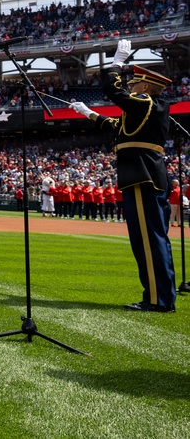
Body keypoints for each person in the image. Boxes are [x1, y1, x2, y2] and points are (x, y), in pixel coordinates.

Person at [71, 40, 177, 313]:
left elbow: (113, 90)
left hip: (142, 173)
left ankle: (157, 299)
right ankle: (159, 295)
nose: (131, 87)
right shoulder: (147, 110)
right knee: (151, 237)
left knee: (148, 238)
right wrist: (87, 112)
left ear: (145, 87)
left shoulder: (146, 102)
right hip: (145, 173)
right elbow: (114, 124)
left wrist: (117, 62)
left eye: (134, 85)